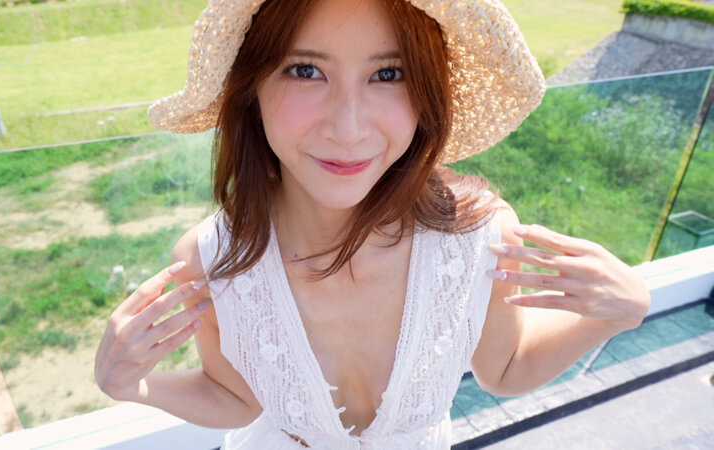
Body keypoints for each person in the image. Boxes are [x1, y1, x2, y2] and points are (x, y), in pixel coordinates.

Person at [94, 0, 652, 448]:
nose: (349, 128)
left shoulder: (477, 237)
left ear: (428, 92)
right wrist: (136, 386)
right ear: (251, 89)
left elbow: (504, 368)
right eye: (305, 70)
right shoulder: (215, 260)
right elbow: (238, 399)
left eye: (388, 73)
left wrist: (619, 313)